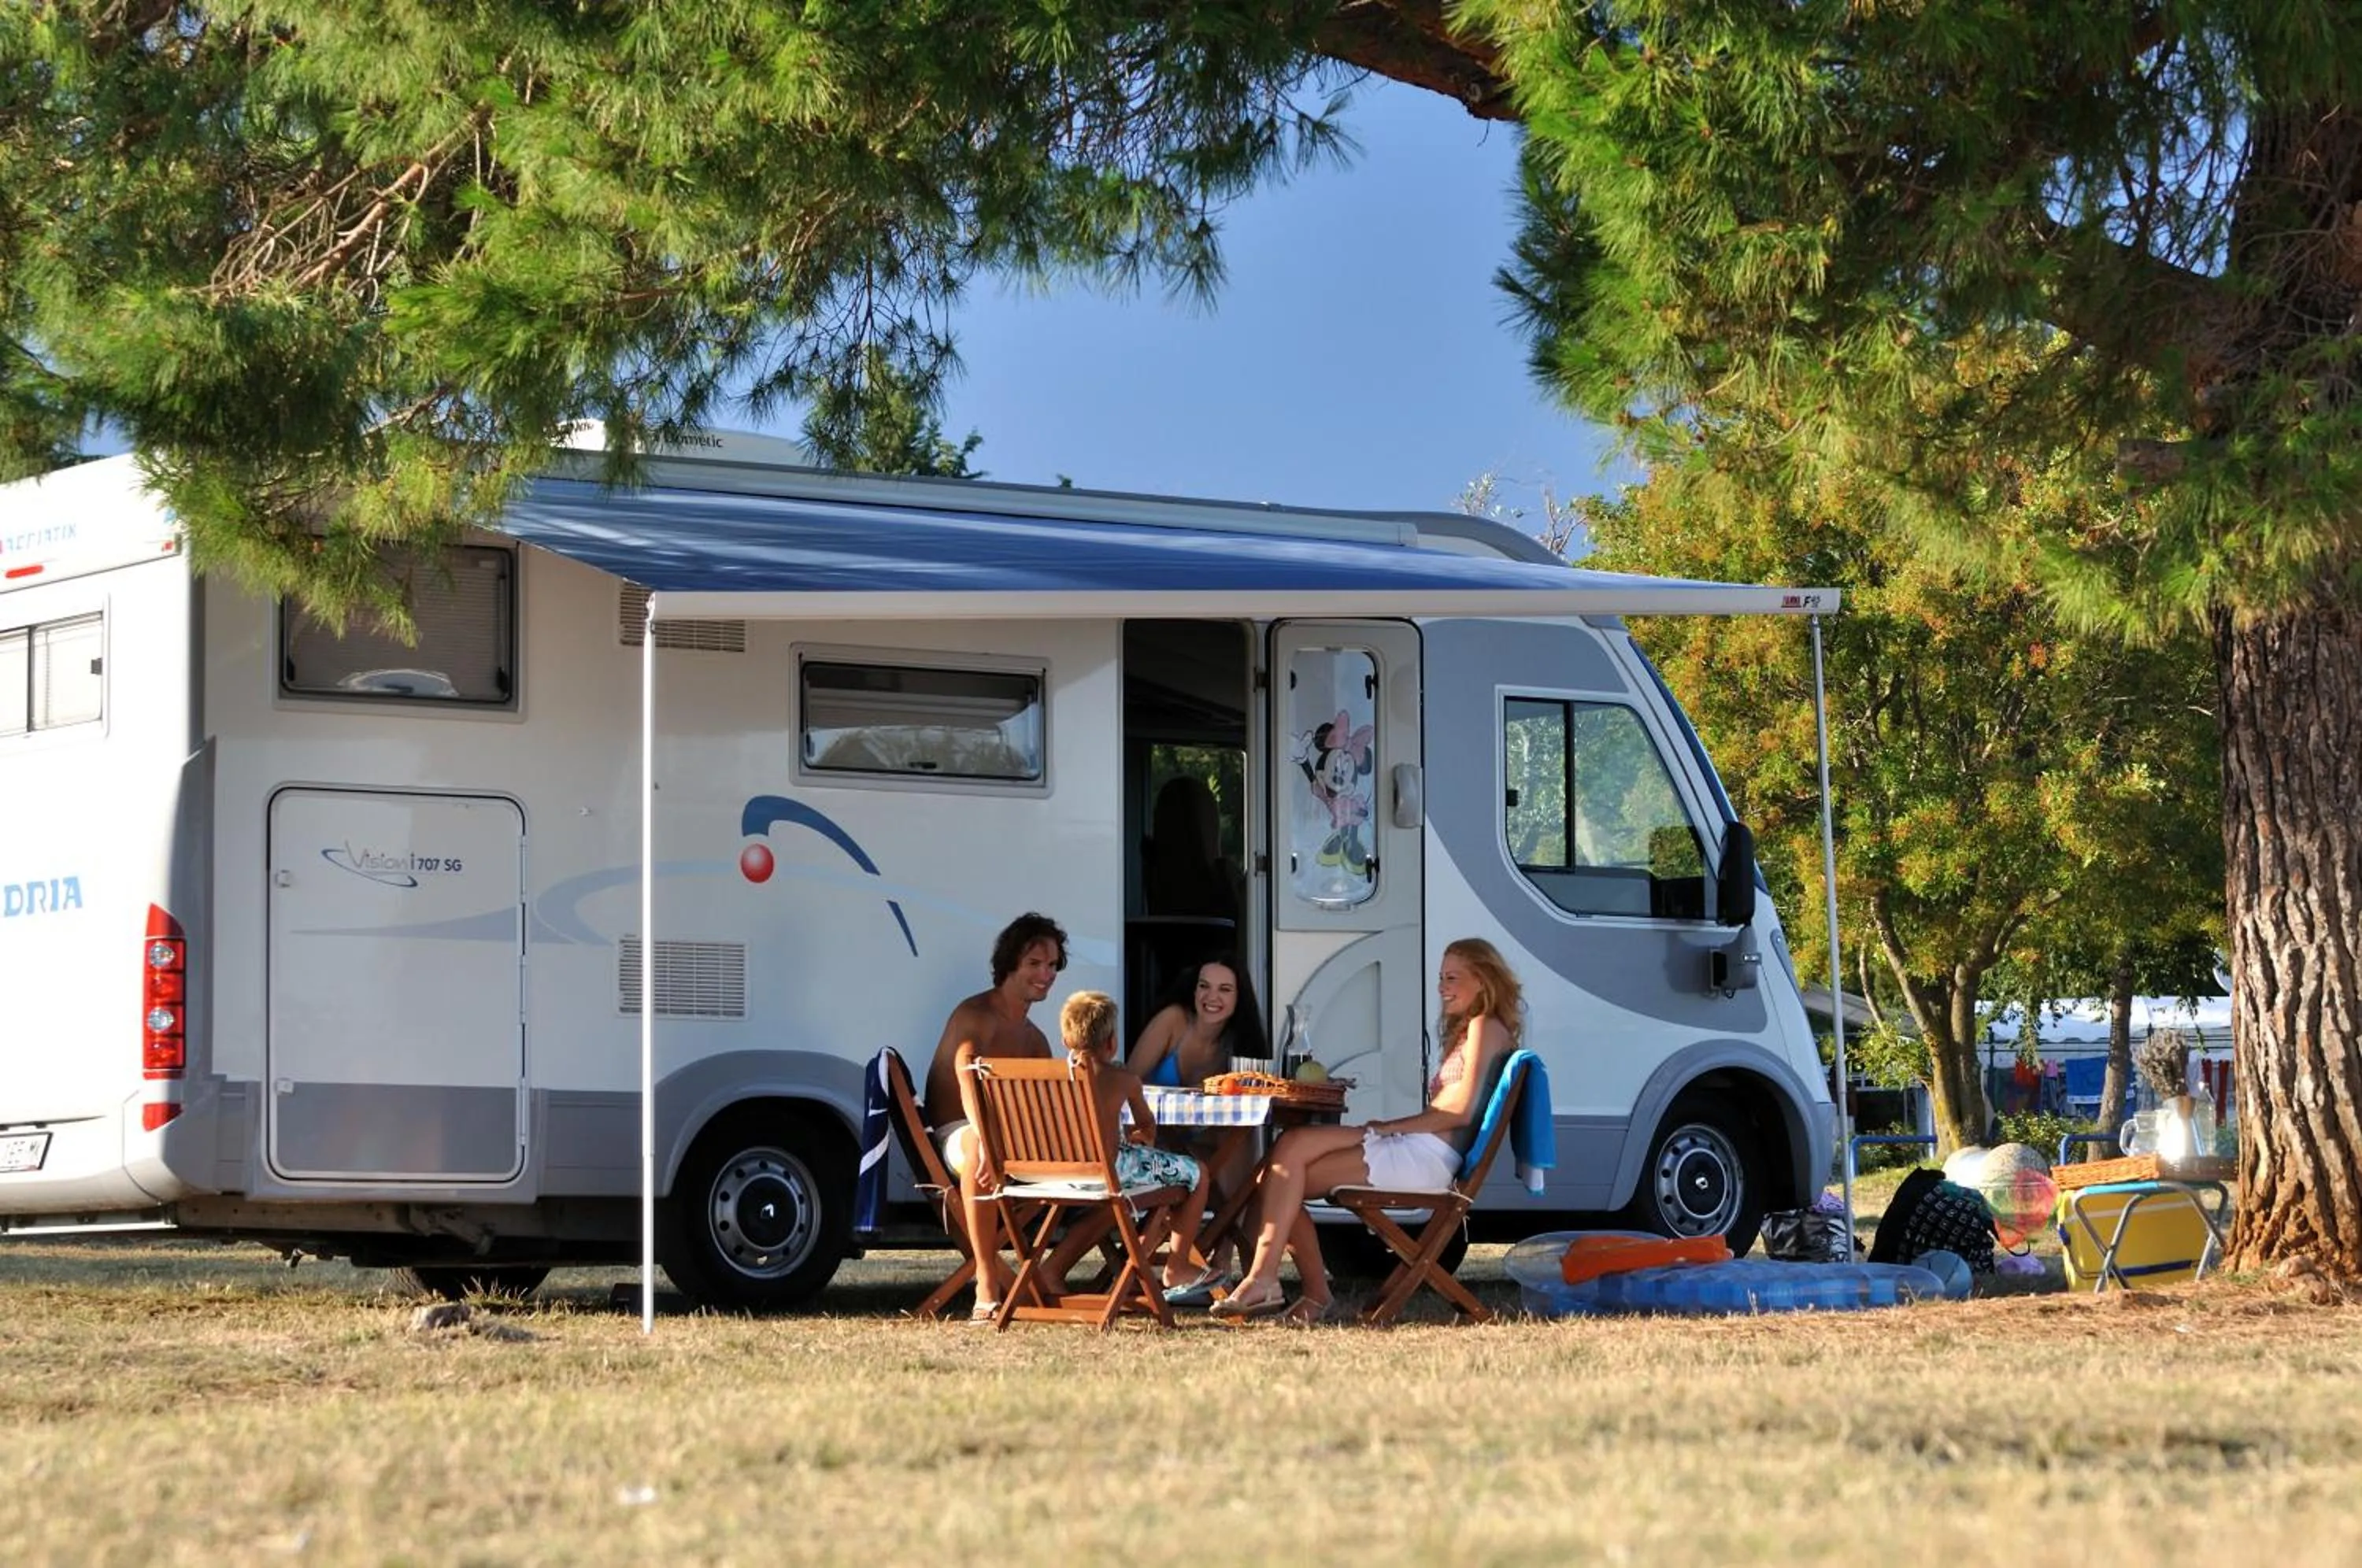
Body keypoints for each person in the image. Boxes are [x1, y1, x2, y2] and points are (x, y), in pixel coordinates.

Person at [1210, 937, 1523, 1325]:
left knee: (1283, 1172)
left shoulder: (1483, 1027)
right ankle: (1270, 1280)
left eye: (1452, 978)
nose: (1442, 986)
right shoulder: (1471, 1030)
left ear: (1483, 979)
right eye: (1442, 977)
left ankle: (1291, 1287)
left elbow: (1458, 1112)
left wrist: (1390, 1127)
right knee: (1286, 1153)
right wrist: (1388, 1130)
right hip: (1418, 1147)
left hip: (1426, 1159)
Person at [923, 912, 1067, 1322]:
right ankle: (986, 1283)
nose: (1046, 974)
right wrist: (986, 1139)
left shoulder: (1036, 1039)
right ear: (1010, 965)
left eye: (1053, 965)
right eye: (1035, 964)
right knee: (977, 1149)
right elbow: (966, 1080)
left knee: (1108, 1159)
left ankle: (1050, 1273)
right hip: (960, 1132)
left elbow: (1048, 1107)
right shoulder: (976, 1014)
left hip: (1011, 1140)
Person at [1055, 990, 1218, 1300]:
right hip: (1110, 1174)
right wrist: (1141, 1138)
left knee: (1124, 1187)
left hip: (1062, 1176)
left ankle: (1052, 1272)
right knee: (1198, 1174)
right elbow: (1146, 1125)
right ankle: (1178, 1266)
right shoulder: (1123, 1079)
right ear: (1111, 1043)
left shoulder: (1053, 1077)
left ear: (1065, 1041)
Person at [1126, 953, 1266, 1285]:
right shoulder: (1174, 1021)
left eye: (1224, 989)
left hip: (1192, 1142)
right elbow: (1128, 1082)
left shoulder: (1238, 1042)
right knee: (1227, 1152)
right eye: (1204, 987)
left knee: (1240, 1141)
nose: (1211, 997)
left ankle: (1226, 1252)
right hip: (1149, 1137)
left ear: (1238, 998)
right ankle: (1220, 1253)